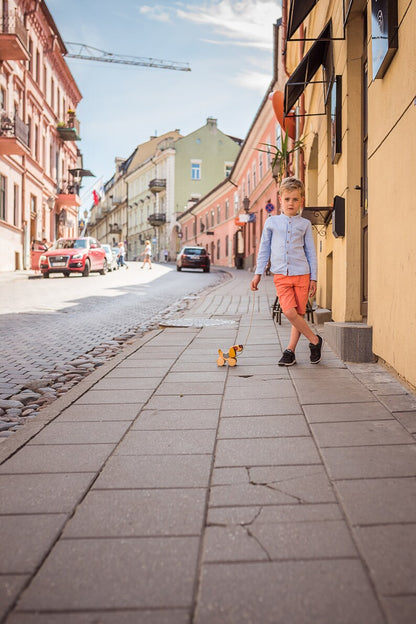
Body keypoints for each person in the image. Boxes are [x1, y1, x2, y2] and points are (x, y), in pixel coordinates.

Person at [250, 177, 323, 366]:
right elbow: (264, 249)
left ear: (301, 201)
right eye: (288, 199)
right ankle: (315, 340)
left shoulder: (305, 224)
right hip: (281, 275)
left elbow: (311, 253)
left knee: (297, 314)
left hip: (302, 275)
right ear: (280, 199)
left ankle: (290, 351)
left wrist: (314, 278)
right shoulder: (272, 222)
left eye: (295, 199)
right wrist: (258, 273)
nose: (291, 203)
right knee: (289, 312)